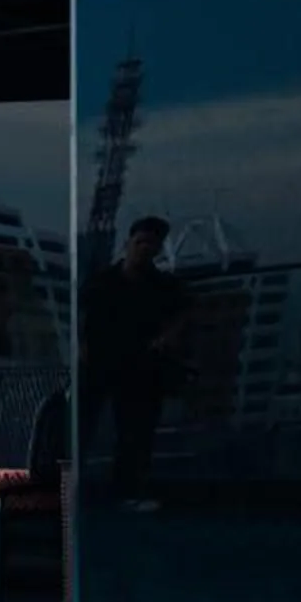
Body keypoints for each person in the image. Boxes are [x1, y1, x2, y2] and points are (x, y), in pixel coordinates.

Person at [82, 215, 183, 508]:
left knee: (135, 433)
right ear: (128, 244)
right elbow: (83, 320)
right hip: (99, 365)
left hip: (139, 367)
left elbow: (181, 316)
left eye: (152, 244)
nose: (145, 249)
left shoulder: (163, 286)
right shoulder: (103, 282)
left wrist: (166, 339)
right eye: (140, 242)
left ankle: (127, 491)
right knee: (81, 429)